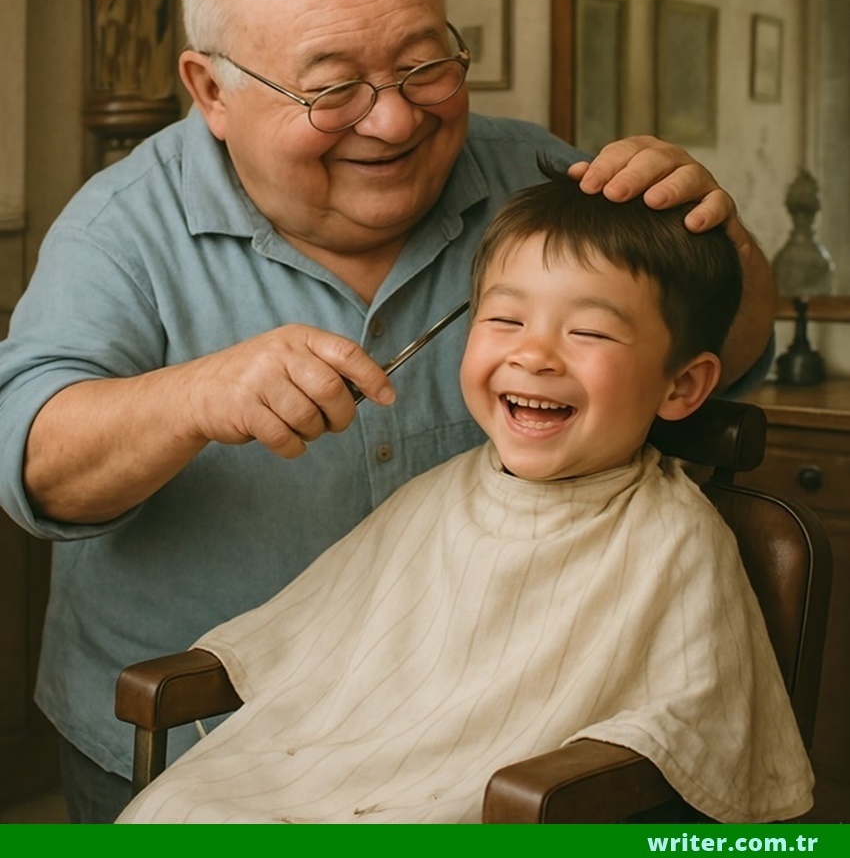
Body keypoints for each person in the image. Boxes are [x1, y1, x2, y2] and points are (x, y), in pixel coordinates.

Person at [0, 0, 777, 824]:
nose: (396, 115)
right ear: (212, 90)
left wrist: (718, 232)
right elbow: (31, 467)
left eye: (425, 63)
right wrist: (194, 396)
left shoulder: (538, 178)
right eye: (332, 89)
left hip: (478, 755)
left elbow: (717, 352)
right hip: (205, 738)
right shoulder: (120, 223)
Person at [116, 167, 811, 825]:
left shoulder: (675, 539)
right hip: (338, 766)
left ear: (683, 385)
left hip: (490, 804)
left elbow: (694, 724)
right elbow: (308, 635)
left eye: (590, 331)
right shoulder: (437, 496)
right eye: (505, 319)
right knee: (184, 807)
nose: (534, 354)